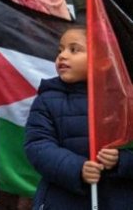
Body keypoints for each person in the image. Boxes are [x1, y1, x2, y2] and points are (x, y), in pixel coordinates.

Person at [24, 25, 133, 209]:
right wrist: (77, 168)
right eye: (60, 50)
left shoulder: (124, 101)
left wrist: (121, 161)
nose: (63, 56)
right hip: (62, 200)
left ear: (104, 60)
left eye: (74, 50)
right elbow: (37, 146)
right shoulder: (47, 100)